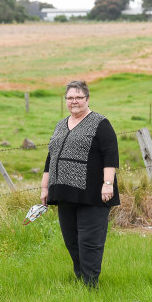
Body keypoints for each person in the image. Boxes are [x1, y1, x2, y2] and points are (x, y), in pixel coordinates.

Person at [41, 80, 119, 288]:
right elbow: (51, 156)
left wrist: (108, 183)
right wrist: (44, 187)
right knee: (71, 240)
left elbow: (110, 155)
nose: (74, 101)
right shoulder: (60, 124)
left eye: (78, 97)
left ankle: (90, 284)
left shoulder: (100, 123)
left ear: (87, 99)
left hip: (93, 193)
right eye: (70, 98)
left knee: (90, 241)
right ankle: (80, 277)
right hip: (64, 192)